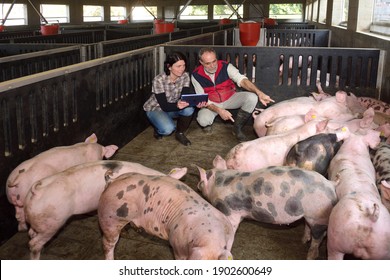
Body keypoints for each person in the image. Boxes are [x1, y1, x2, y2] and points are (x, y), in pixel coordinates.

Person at [191, 47, 275, 142]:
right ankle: (207, 125)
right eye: (208, 63)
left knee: (252, 97)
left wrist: (259, 92)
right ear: (201, 62)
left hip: (230, 97)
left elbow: (241, 80)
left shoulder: (226, 66)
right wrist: (220, 111)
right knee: (203, 120)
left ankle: (237, 128)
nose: (212, 65)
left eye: (214, 61)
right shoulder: (196, 75)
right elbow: (203, 99)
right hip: (212, 103)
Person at [143, 51, 197, 146]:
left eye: (183, 65)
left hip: (172, 106)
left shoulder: (185, 76)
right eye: (178, 66)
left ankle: (180, 133)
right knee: (167, 130)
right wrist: (178, 105)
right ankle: (158, 129)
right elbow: (164, 106)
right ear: (169, 67)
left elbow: (184, 96)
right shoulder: (158, 80)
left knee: (189, 109)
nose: (182, 69)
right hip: (156, 108)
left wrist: (194, 102)